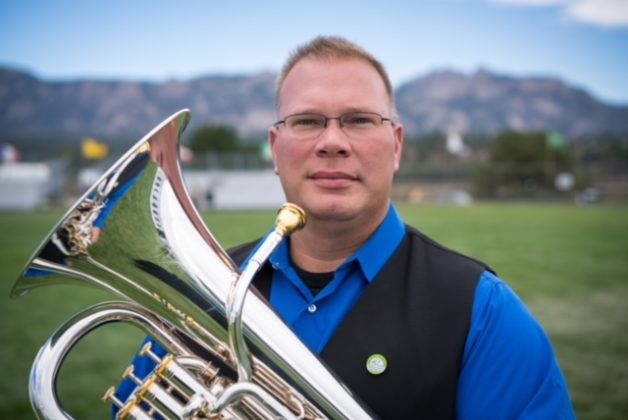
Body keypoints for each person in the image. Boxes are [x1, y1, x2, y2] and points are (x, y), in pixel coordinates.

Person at [116, 35, 575, 418]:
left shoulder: (484, 311)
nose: (332, 142)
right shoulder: (201, 295)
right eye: (308, 121)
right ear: (276, 150)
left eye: (358, 120)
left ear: (395, 145)